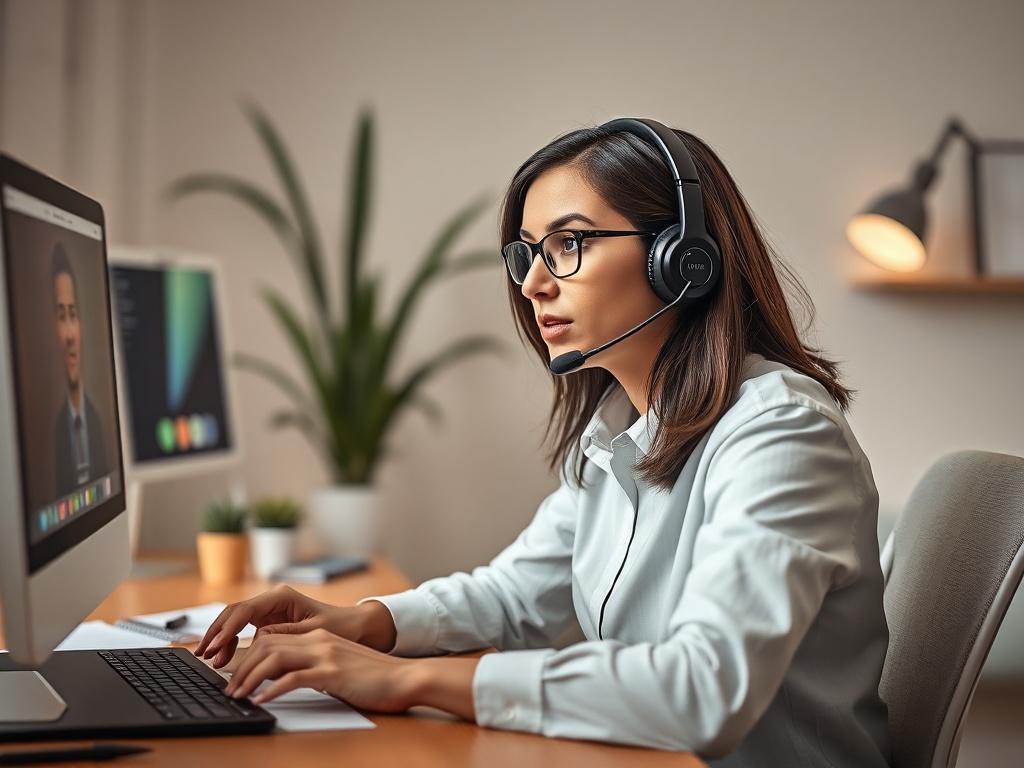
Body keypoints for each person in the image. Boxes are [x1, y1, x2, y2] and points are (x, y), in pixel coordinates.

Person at [194, 120, 891, 766]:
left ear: (683, 260)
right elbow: (516, 596)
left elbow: (701, 691)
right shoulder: (618, 431)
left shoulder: (782, 434)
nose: (531, 283)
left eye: (570, 244)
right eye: (527, 253)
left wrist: (406, 681)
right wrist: (362, 622)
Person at [52, 242, 109, 497]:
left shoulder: (96, 421)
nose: (69, 336)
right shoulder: (56, 433)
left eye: (73, 315)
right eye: (61, 316)